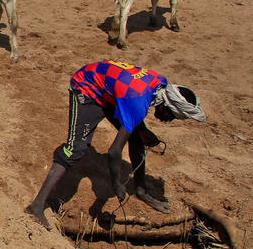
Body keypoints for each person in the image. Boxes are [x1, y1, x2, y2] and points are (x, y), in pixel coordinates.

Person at [26, 60, 207, 230]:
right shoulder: (138, 103)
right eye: (171, 116)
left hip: (110, 93)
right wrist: (117, 183)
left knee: (137, 137)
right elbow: (114, 151)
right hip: (87, 87)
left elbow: (130, 99)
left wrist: (141, 131)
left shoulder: (160, 84)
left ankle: (141, 190)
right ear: (166, 106)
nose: (169, 121)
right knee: (75, 150)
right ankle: (36, 206)